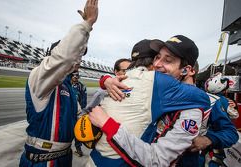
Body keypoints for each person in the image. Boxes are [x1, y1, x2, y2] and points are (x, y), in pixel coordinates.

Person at [88, 36, 211, 167]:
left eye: (167, 60)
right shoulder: (154, 87)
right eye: (157, 57)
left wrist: (108, 125)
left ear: (186, 70)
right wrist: (106, 80)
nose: (157, 64)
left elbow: (157, 160)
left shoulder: (191, 108)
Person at [19, 0, 98, 166]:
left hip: (65, 158)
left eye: (81, 55)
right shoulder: (38, 77)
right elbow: (65, 57)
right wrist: (87, 24)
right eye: (78, 54)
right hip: (42, 159)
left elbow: (78, 116)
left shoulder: (69, 86)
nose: (79, 59)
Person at [71, 71, 87, 157]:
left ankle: (78, 149)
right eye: (73, 75)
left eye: (77, 75)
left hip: (77, 113)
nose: (75, 77)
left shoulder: (82, 87)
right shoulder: (66, 85)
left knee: (77, 131)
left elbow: (84, 101)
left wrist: (82, 113)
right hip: (68, 112)